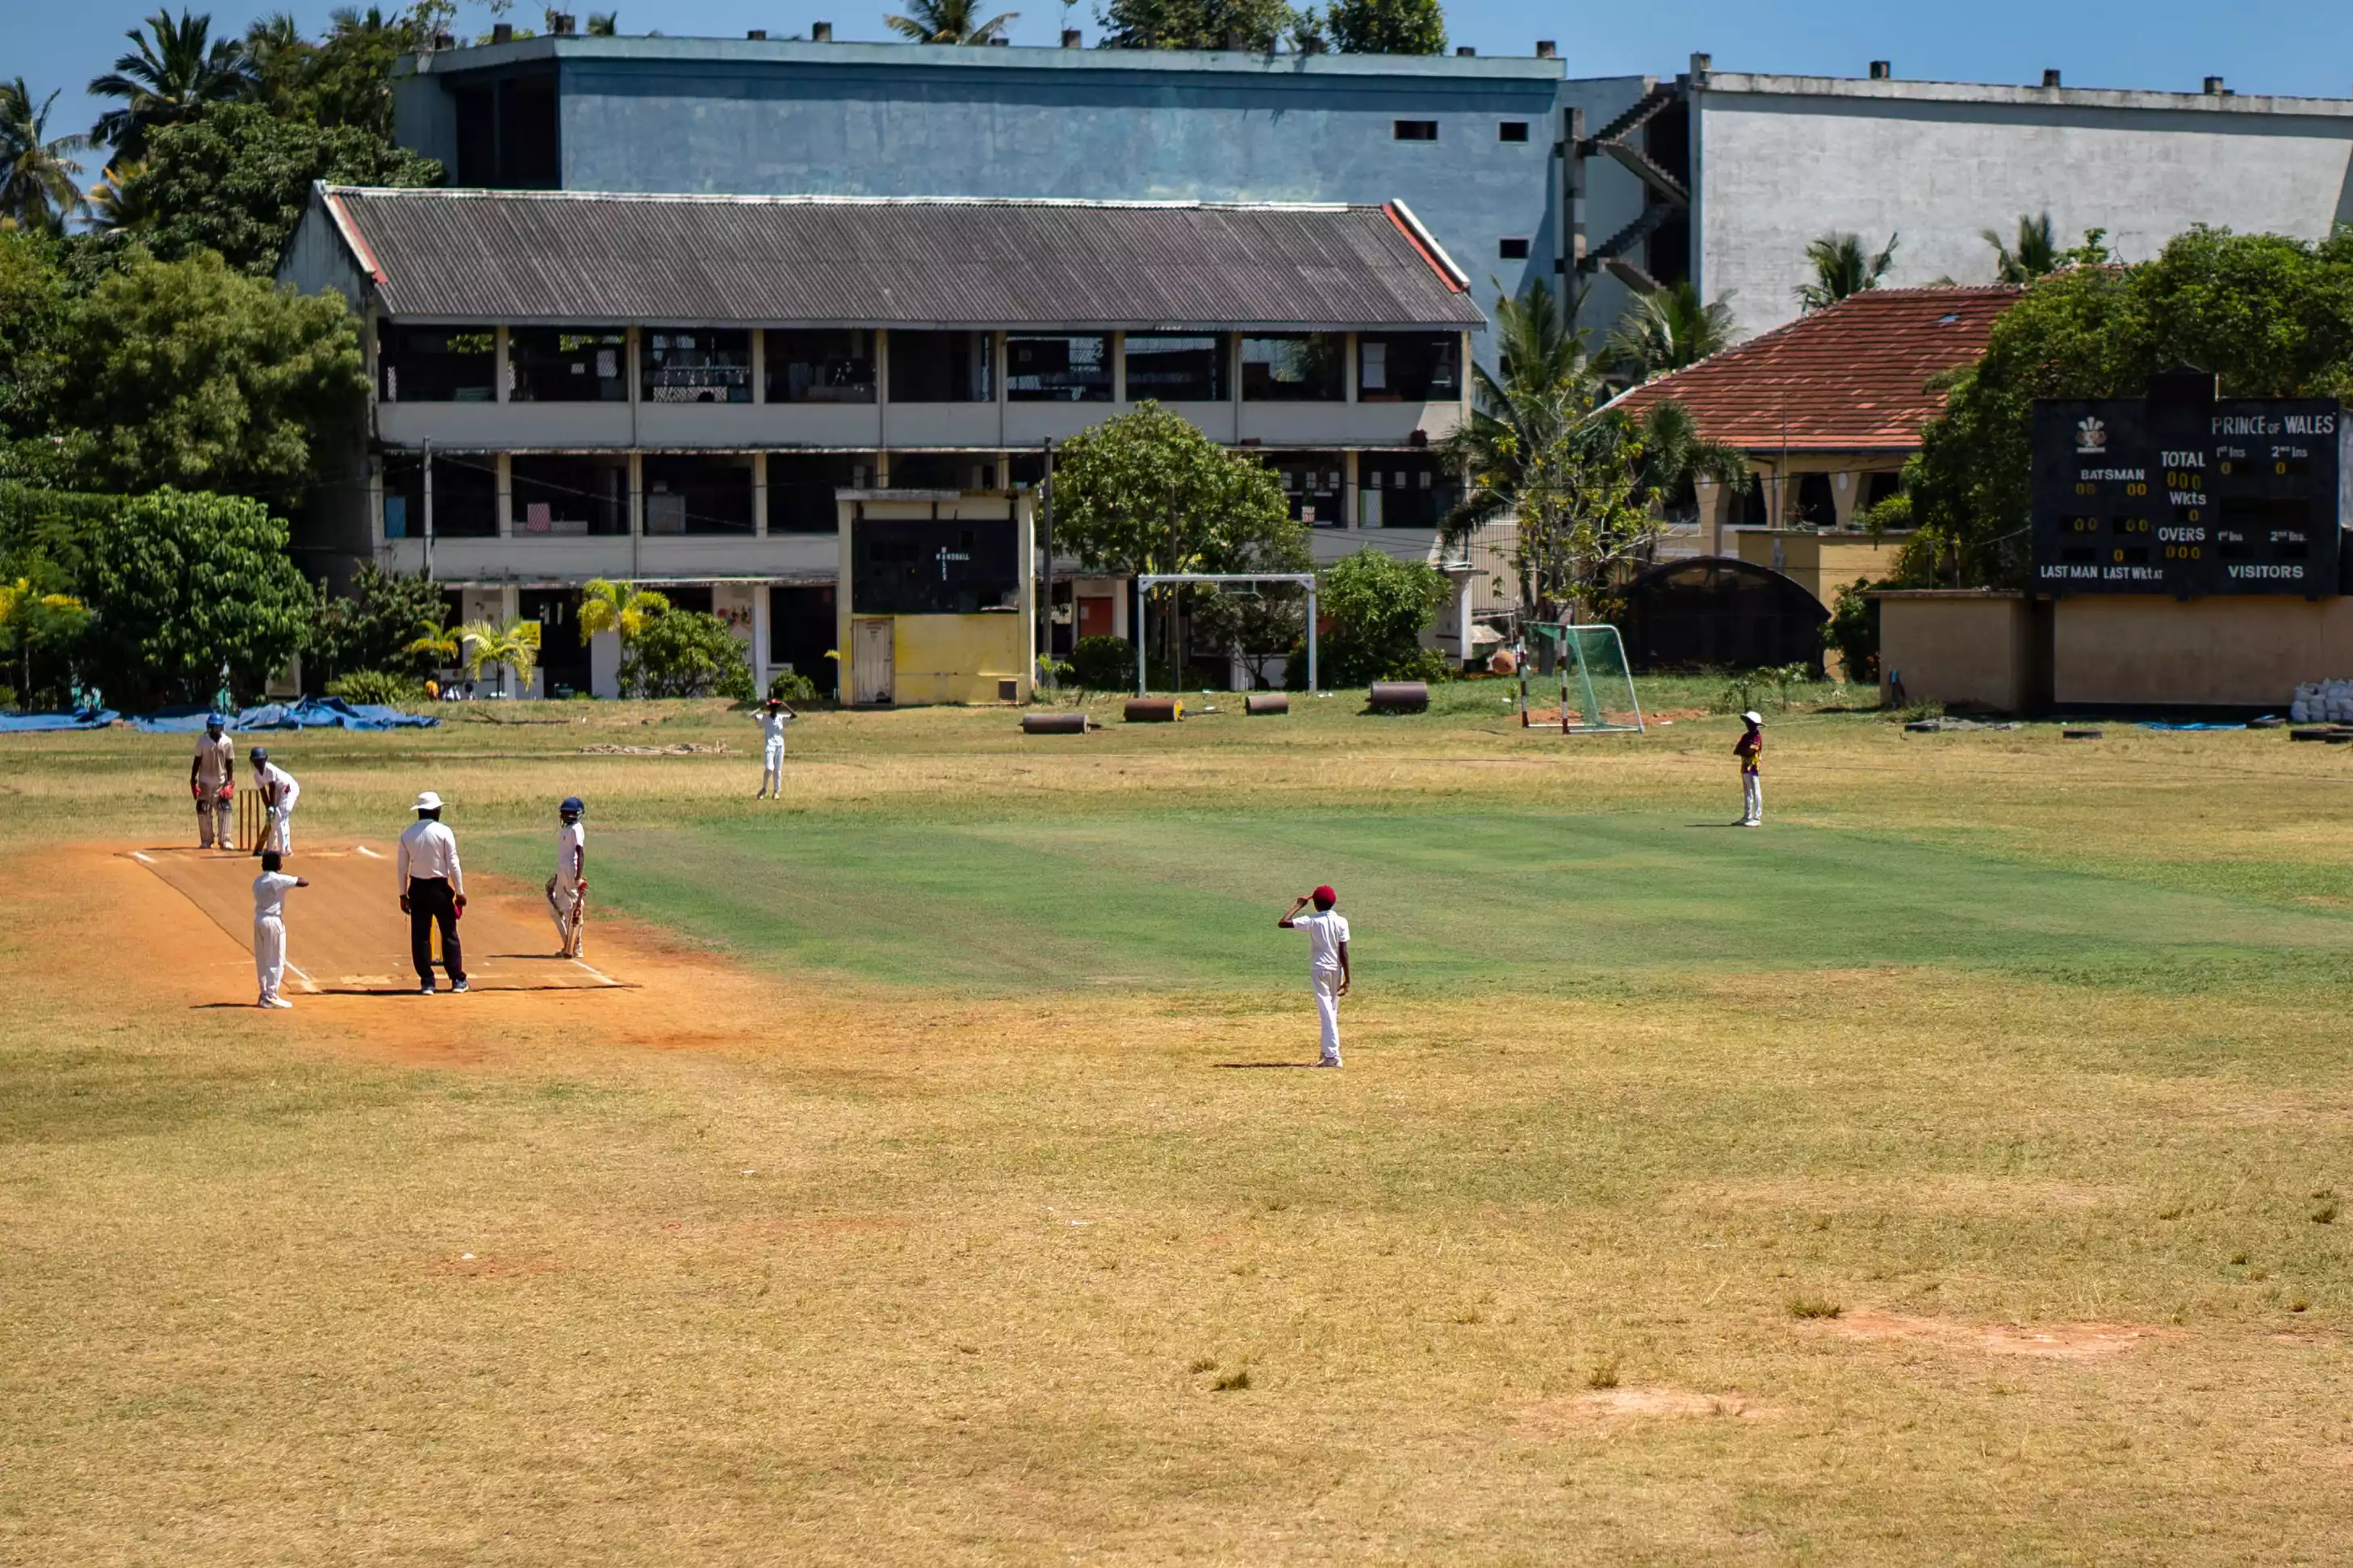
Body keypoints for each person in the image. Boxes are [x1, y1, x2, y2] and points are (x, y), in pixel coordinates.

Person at [396, 789, 469, 995]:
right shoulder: (444, 832)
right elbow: (453, 864)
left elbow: (402, 868)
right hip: (440, 888)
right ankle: (457, 979)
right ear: (436, 811)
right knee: (449, 933)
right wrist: (460, 892)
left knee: (420, 935)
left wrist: (403, 895)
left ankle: (427, 981)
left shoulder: (407, 834)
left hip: (417, 889)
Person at [1278, 885, 1351, 1068]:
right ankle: (1327, 1053)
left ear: (1316, 905)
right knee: (1331, 1011)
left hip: (1320, 970)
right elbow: (1344, 952)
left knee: (1327, 1012)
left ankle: (1332, 1056)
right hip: (1336, 970)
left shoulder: (1312, 920)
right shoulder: (1342, 921)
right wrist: (1347, 978)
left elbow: (1283, 922)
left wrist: (1298, 905)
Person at [251, 850, 307, 1009]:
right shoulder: (278, 879)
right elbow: (303, 881)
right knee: (276, 958)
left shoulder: (257, 881)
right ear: (279, 865)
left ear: (262, 865)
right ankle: (271, 995)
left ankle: (264, 994)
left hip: (259, 920)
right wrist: (284, 877)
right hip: (273, 922)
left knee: (262, 959)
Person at [546, 796, 588, 958]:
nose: (562, 816)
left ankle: (576, 947)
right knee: (553, 906)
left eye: (564, 813)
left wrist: (578, 877)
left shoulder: (577, 828)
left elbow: (580, 852)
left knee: (574, 910)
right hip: (563, 870)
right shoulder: (566, 829)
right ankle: (568, 945)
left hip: (571, 871)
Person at [191, 715, 235, 850]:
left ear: (221, 727)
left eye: (217, 727)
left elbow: (230, 762)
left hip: (221, 781)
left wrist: (229, 782)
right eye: (212, 726)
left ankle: (225, 839)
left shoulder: (227, 741)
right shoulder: (202, 741)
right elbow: (197, 760)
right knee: (203, 809)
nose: (215, 730)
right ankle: (206, 840)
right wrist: (193, 779)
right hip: (204, 781)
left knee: (224, 808)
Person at [249, 746, 299, 855]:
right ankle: (281, 847)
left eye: (260, 760)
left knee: (280, 814)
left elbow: (271, 788)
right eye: (256, 761)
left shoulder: (270, 769)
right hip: (278, 790)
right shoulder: (256, 775)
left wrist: (272, 806)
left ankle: (284, 849)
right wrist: (268, 808)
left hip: (288, 787)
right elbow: (263, 793)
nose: (258, 763)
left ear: (266, 759)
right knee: (276, 817)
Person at [754, 696, 798, 800]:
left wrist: (786, 706)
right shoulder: (764, 718)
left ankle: (776, 791)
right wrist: (762, 707)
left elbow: (795, 715)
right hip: (770, 746)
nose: (774, 709)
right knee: (769, 768)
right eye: (772, 707)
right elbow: (750, 715)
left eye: (775, 707)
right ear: (769, 708)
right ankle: (764, 789)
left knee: (778, 770)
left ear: (778, 708)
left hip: (780, 746)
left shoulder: (781, 718)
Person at [1735, 709, 1765, 827]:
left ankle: (1757, 817)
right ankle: (1747, 816)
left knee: (1756, 791)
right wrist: (1744, 750)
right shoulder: (1745, 736)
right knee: (1747, 792)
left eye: (1749, 722)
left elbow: (1750, 751)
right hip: (1745, 767)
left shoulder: (1757, 736)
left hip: (1753, 767)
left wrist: (1744, 750)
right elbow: (1736, 750)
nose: (1747, 725)